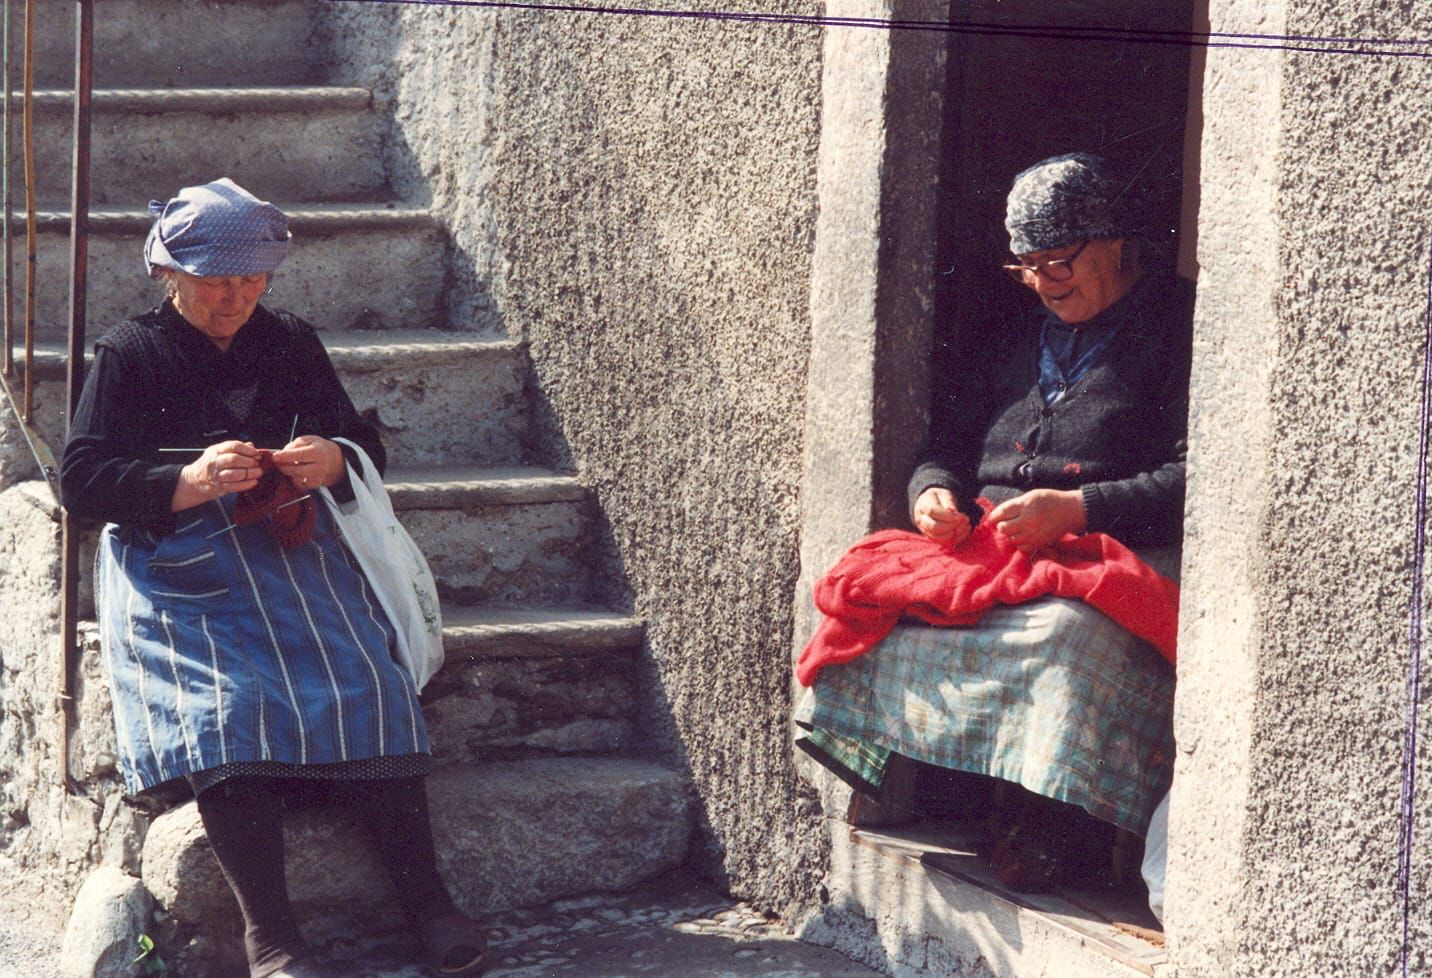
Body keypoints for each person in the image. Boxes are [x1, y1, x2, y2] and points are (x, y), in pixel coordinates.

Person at [60, 179, 487, 978]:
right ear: (170, 274)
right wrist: (186, 480)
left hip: (292, 550)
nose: (236, 298)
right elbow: (80, 478)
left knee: (369, 680)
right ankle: (274, 940)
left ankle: (431, 907)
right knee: (229, 708)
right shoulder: (131, 351)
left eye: (251, 281)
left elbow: (360, 441)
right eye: (217, 282)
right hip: (178, 565)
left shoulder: (287, 338)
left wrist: (332, 457)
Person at [797, 152, 1192, 896]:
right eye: (1027, 268)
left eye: (1058, 263)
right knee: (860, 593)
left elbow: (1195, 478)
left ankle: (1056, 827)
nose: (1043, 285)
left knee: (1061, 640)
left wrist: (1076, 509)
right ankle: (959, 801)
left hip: (1117, 544)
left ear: (1112, 244)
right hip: (994, 542)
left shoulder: (1178, 326)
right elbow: (945, 443)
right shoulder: (1014, 336)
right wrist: (934, 496)